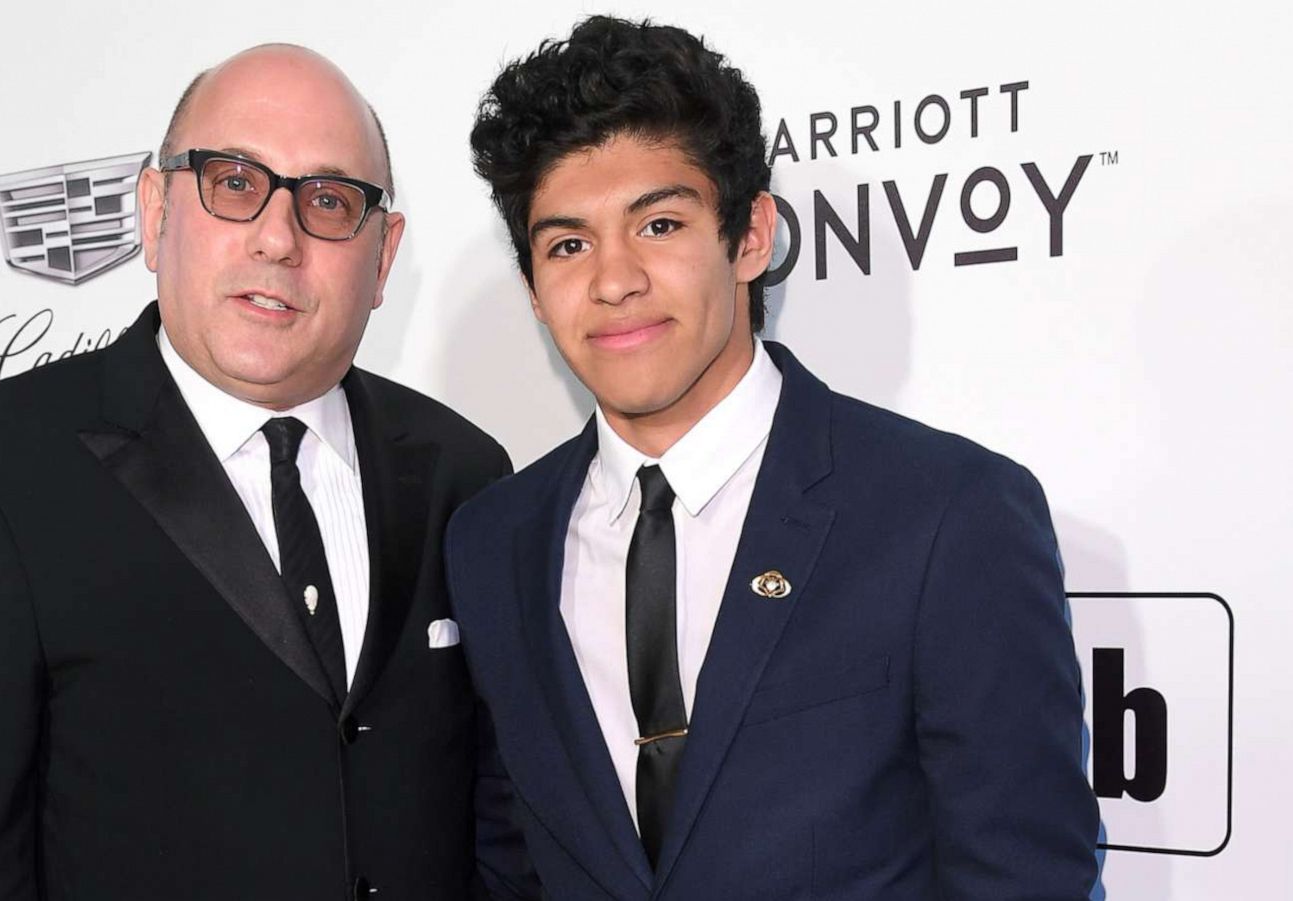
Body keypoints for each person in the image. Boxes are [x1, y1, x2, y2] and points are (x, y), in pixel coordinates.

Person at [449, 16, 1099, 900]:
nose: (612, 279)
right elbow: (510, 861)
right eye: (568, 244)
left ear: (751, 235)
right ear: (532, 285)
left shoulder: (948, 514)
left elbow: (1027, 880)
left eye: (660, 224)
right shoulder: (493, 542)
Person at [0, 45, 509, 901]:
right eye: (235, 182)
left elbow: (497, 826)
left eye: (328, 201)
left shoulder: (464, 474)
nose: (278, 239)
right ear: (153, 210)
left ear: (384, 256)